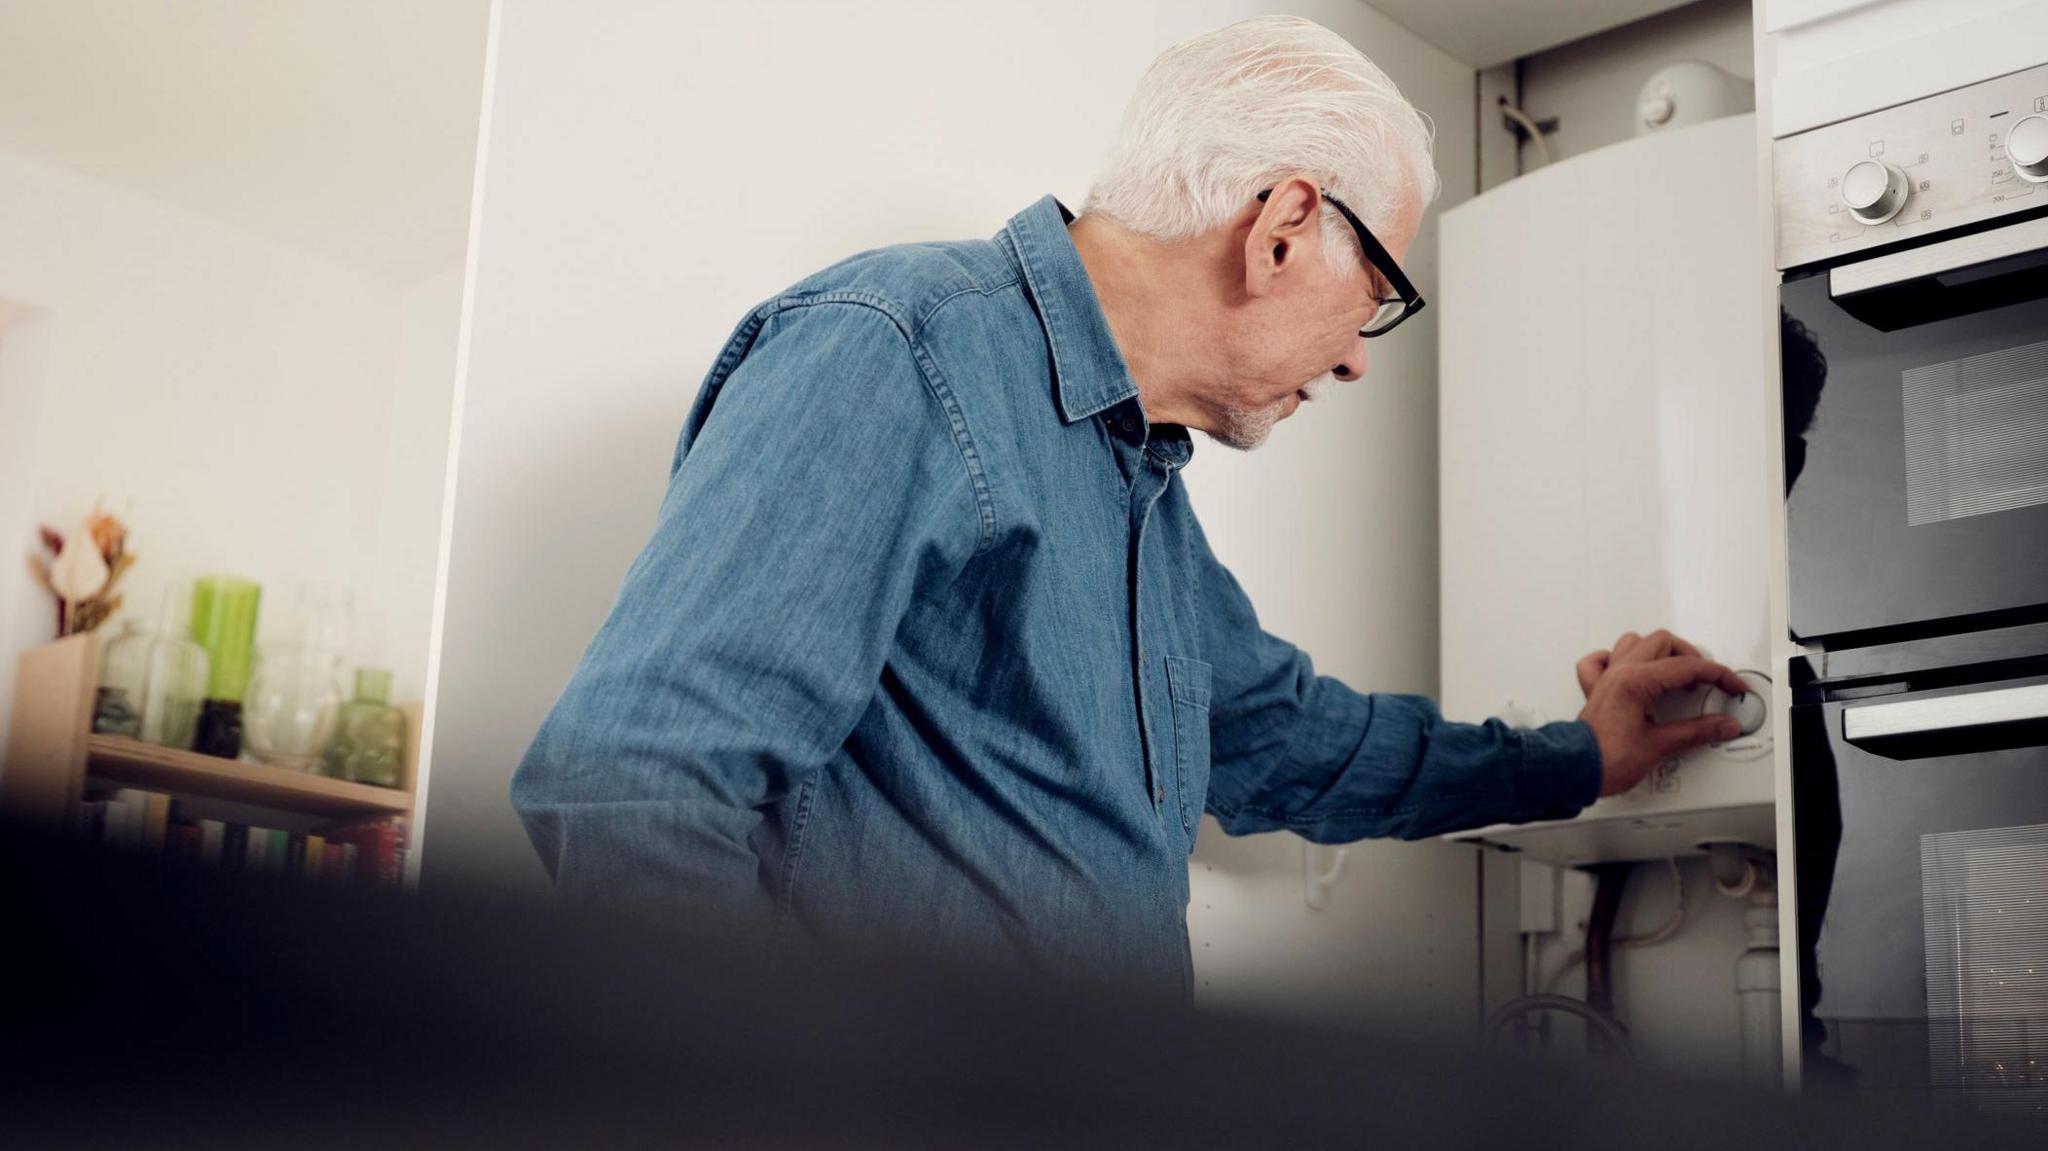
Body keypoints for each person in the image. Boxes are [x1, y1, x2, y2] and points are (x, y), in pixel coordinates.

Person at [510, 15, 1749, 995]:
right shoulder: (897, 349)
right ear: (1280, 229)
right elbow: (636, 779)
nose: (1362, 354)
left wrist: (1577, 756)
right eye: (1373, 294)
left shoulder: (1137, 478)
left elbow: (1279, 740)